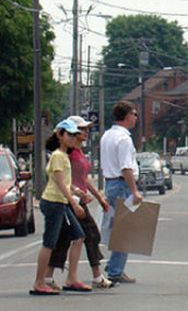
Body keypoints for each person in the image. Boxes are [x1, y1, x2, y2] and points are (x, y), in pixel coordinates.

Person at [46, 116, 113, 289]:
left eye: (87, 129)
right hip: (72, 200)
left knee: (66, 238)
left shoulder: (78, 151)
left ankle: (49, 276)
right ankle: (95, 276)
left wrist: (98, 197)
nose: (85, 132)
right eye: (82, 129)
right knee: (89, 234)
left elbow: (85, 179)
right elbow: (63, 179)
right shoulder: (68, 153)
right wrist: (76, 196)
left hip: (76, 199)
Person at [30, 119, 88, 295]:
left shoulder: (63, 155)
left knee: (78, 236)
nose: (72, 138)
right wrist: (74, 203)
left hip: (60, 202)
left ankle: (71, 278)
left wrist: (77, 192)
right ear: (59, 135)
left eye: (74, 134)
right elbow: (60, 184)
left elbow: (65, 182)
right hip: (54, 202)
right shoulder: (57, 156)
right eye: (69, 134)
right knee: (49, 242)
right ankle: (39, 282)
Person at [100, 101, 143, 284]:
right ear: (126, 116)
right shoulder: (124, 139)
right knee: (124, 230)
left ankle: (114, 265)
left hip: (110, 182)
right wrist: (134, 191)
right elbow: (126, 168)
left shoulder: (107, 135)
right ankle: (116, 270)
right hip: (122, 184)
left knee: (116, 228)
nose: (136, 118)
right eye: (134, 114)